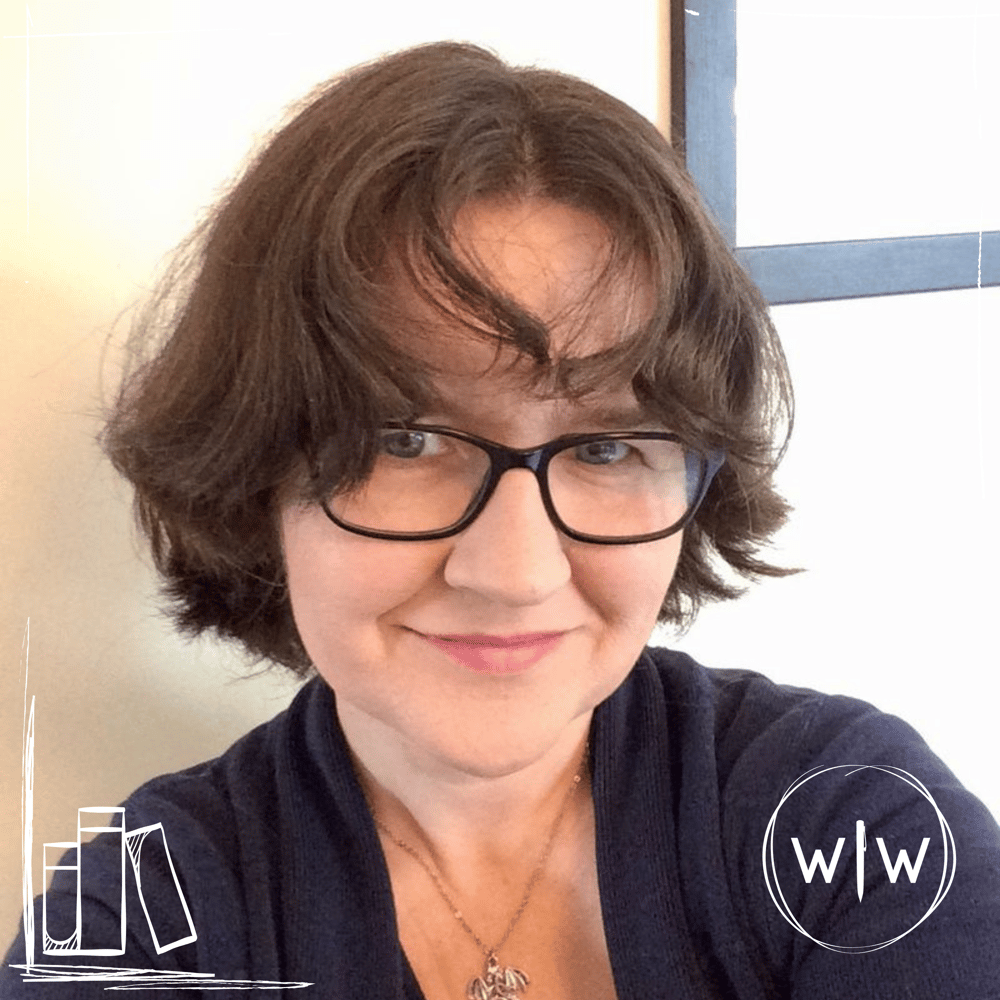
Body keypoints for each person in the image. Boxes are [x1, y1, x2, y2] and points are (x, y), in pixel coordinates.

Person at [3, 40, 998, 999]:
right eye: (404, 440)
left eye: (606, 448)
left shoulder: (844, 817)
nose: (516, 572)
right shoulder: (146, 918)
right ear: (254, 470)